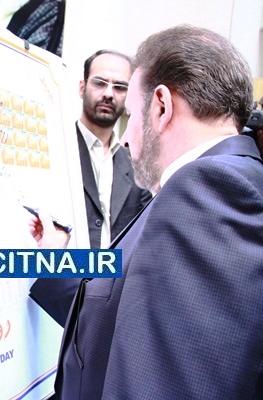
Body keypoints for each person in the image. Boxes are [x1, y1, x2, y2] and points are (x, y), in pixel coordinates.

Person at [29, 24, 263, 399]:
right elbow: (124, 295)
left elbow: (168, 378)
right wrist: (50, 261)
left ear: (161, 107)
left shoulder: (208, 187)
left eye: (131, 114)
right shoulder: (208, 184)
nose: (126, 137)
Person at [28, 49, 151, 327]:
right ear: (82, 87)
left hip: (110, 306)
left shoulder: (137, 162)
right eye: (100, 82)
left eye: (120, 87)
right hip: (52, 305)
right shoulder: (51, 147)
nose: (109, 93)